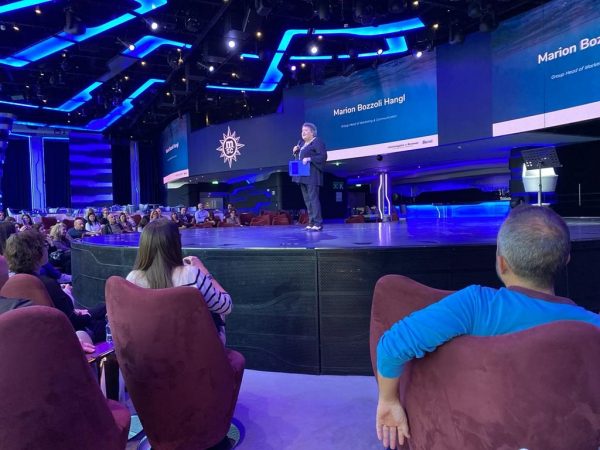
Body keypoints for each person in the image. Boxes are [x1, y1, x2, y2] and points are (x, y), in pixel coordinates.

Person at [375, 205, 600, 449]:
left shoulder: (474, 305)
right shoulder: (592, 328)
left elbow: (391, 347)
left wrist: (388, 401)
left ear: (501, 263)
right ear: (566, 260)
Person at [126, 220, 232, 343]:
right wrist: (204, 271)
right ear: (177, 242)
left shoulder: (132, 278)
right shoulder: (191, 274)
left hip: (151, 348)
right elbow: (226, 306)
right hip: (193, 349)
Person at [4, 230, 107, 343]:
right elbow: (72, 322)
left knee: (102, 308)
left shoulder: (9, 283)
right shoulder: (46, 284)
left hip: (37, 339)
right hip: (70, 337)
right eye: (45, 245)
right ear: (36, 252)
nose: (47, 248)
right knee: (106, 313)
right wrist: (87, 315)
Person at [291, 122, 327, 231]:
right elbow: (299, 159)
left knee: (313, 199)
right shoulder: (301, 144)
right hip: (302, 175)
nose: (303, 132)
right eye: (302, 130)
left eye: (306, 130)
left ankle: (318, 223)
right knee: (307, 200)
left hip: (312, 175)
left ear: (312, 132)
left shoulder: (317, 142)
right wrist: (295, 152)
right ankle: (311, 222)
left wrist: (310, 159)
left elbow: (323, 156)